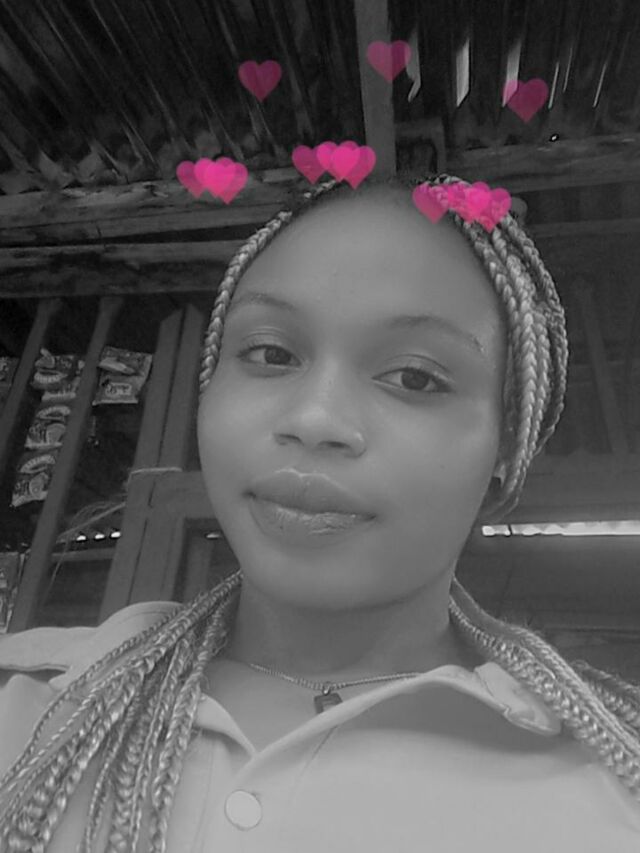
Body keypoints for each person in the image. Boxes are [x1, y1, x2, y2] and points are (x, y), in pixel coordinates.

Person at [1, 172, 639, 853]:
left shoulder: (612, 782)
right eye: (271, 354)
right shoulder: (27, 703)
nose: (314, 419)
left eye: (415, 377)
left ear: (507, 445)